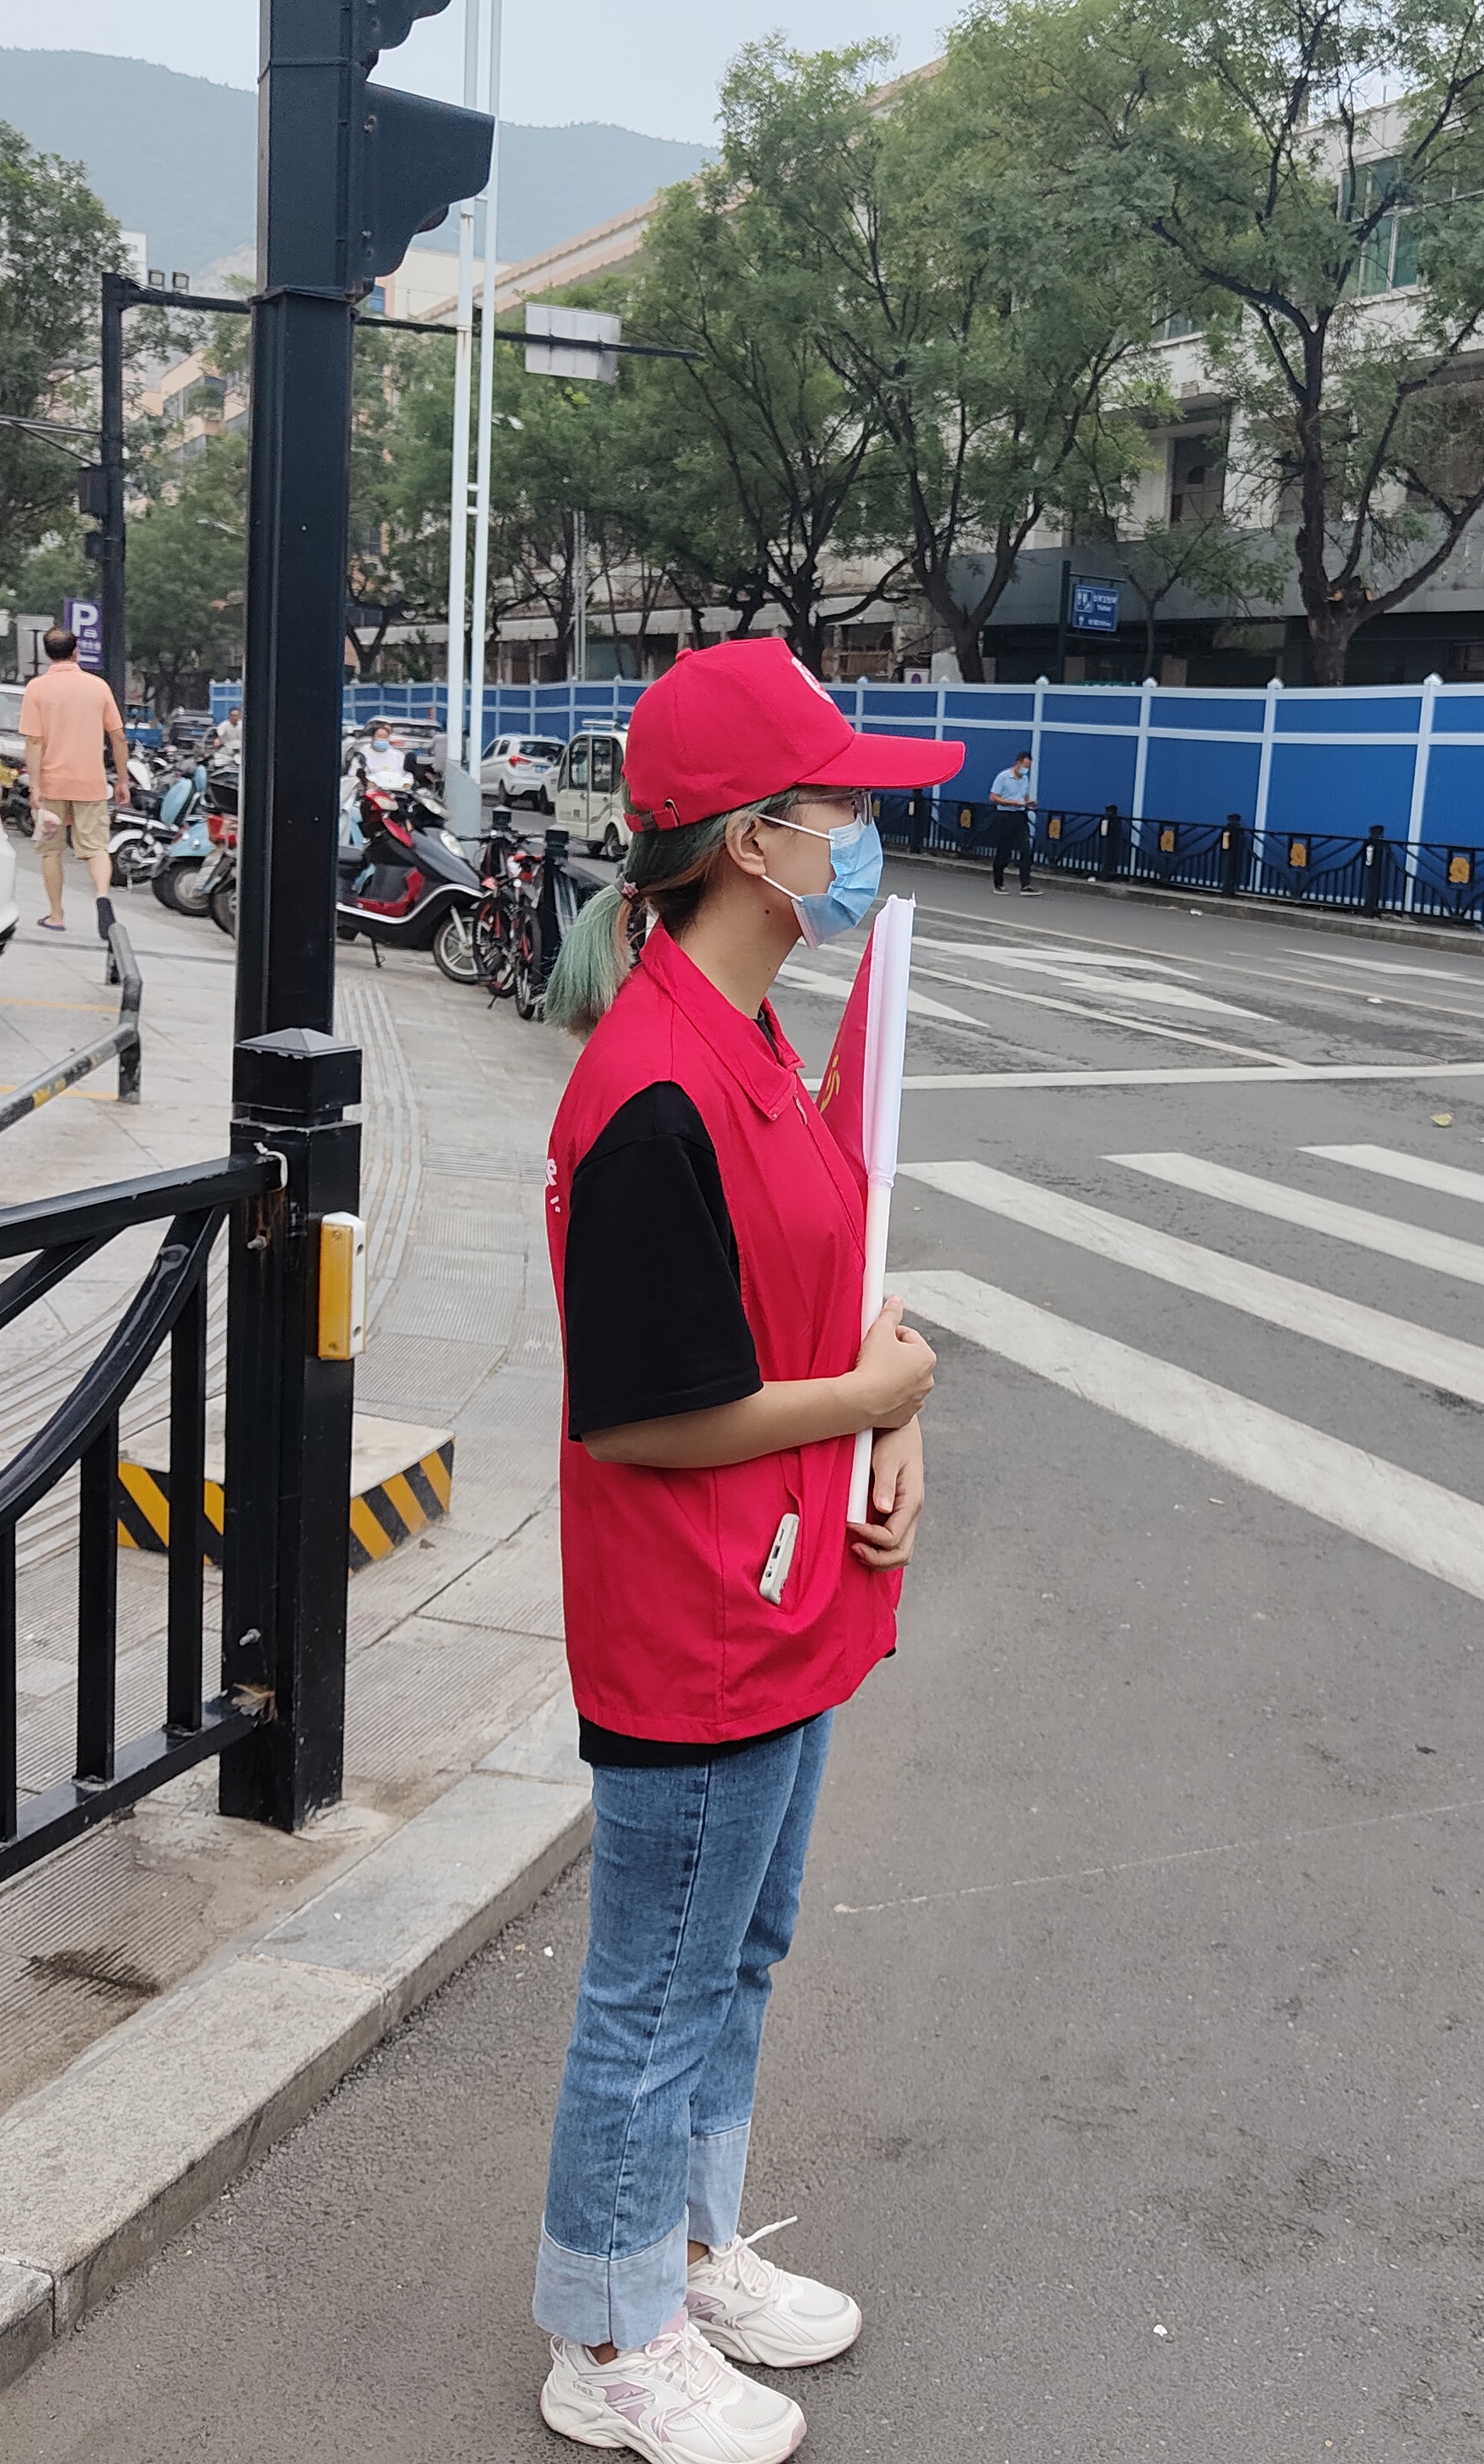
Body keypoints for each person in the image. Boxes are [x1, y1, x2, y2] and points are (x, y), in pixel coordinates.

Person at [531, 636, 966, 2462]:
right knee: (654, 1989)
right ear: (747, 842)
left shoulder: (756, 1040)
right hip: (697, 1621)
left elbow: (823, 1293)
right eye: (838, 807)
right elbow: (641, 1412)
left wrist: (893, 1422)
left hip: (788, 1596)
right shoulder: (652, 1088)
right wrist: (870, 1392)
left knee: (739, 1952)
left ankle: (688, 2249)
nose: (861, 836)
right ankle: (606, 2332)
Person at [18, 630, 127, 932]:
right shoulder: (98, 687)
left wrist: (35, 787)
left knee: (51, 850)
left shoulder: (37, 689)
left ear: (47, 654)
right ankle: (102, 896)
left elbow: (34, 741)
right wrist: (122, 780)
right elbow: (118, 736)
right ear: (76, 652)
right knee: (96, 848)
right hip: (91, 782)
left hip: (52, 783)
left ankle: (56, 915)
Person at [987, 749, 1036, 893]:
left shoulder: (1025, 779)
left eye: (1028, 767)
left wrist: (1030, 802)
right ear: (1018, 763)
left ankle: (1025, 885)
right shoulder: (1003, 777)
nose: (1026, 770)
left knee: (1026, 849)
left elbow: (1024, 796)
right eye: (1025, 766)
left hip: (1020, 816)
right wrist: (1012, 802)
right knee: (1004, 850)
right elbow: (993, 797)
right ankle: (998, 883)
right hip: (1006, 815)